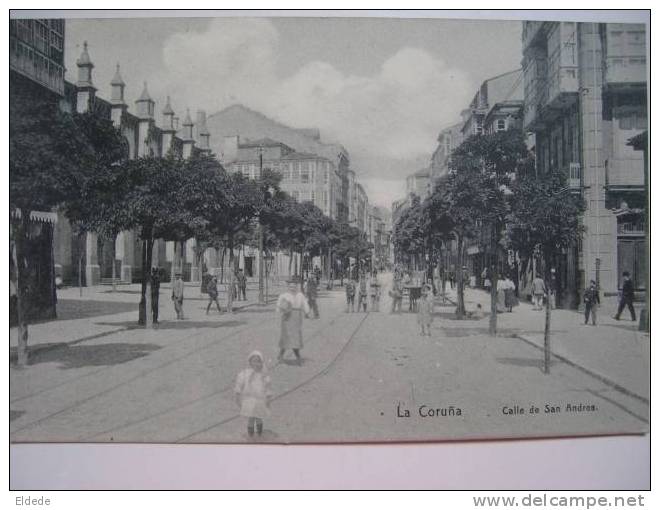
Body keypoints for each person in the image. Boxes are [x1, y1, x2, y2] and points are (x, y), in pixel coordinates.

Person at [234, 351, 272, 438]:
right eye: (254, 361)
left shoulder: (263, 375)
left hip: (259, 399)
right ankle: (250, 435)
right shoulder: (245, 373)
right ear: (250, 362)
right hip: (249, 399)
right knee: (251, 418)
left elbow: (267, 387)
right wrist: (237, 394)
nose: (256, 363)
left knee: (259, 418)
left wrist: (268, 397)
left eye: (258, 361)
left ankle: (259, 433)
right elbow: (239, 383)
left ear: (261, 363)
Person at [277, 281, 311, 364]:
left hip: (297, 317)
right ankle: (286, 356)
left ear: (297, 287)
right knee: (286, 337)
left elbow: (305, 304)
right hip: (287, 318)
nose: (292, 288)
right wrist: (282, 309)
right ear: (288, 287)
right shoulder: (284, 296)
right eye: (291, 287)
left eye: (294, 286)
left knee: (295, 337)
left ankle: (294, 356)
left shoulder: (300, 295)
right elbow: (279, 306)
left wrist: (307, 311)